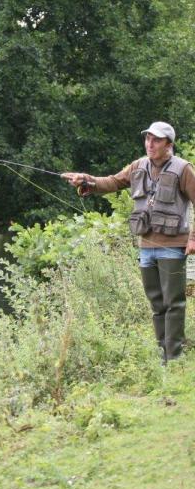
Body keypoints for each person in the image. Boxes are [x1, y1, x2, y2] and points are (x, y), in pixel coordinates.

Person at [61, 121, 195, 363]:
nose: (149, 144)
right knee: (156, 304)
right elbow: (111, 182)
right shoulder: (138, 166)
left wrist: (193, 239)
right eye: (147, 139)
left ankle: (174, 358)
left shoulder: (183, 169)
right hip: (146, 247)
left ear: (169, 144)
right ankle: (163, 355)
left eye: (156, 140)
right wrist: (86, 180)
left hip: (173, 247)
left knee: (173, 303)